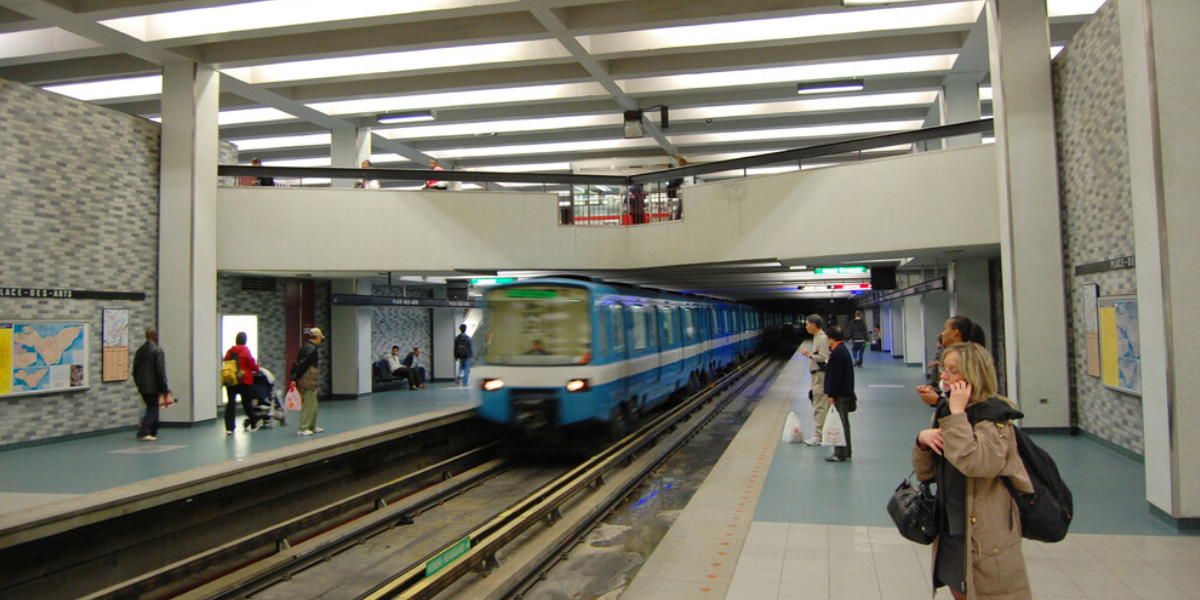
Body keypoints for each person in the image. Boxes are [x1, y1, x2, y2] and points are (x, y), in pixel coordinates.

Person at [913, 342, 1033, 600]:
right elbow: (927, 473)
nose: (943, 376)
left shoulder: (994, 418)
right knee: (959, 588)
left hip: (986, 531)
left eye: (952, 371)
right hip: (953, 522)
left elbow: (978, 464)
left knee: (989, 591)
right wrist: (922, 441)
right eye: (944, 369)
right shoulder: (946, 411)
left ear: (973, 375)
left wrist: (957, 413)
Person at [917, 316, 987, 406]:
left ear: (955, 332)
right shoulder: (951, 354)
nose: (942, 334)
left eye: (945, 329)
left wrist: (938, 401)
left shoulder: (966, 359)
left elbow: (964, 402)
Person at [132, 327, 170, 442]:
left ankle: (153, 430)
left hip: (142, 385)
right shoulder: (157, 351)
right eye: (156, 335)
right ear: (153, 336)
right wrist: (164, 388)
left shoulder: (140, 350)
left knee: (152, 407)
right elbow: (160, 370)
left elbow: (135, 369)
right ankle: (144, 431)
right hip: (153, 386)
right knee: (153, 408)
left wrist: (138, 383)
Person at [823, 325, 855, 462]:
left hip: (840, 394)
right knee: (844, 422)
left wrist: (832, 395)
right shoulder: (843, 350)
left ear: (831, 338)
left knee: (840, 423)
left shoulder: (837, 353)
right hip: (845, 392)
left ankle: (840, 453)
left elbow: (835, 376)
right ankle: (846, 450)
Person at [223, 332, 262, 435]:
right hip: (244, 380)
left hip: (231, 380)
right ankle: (254, 422)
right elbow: (252, 364)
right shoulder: (245, 351)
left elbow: (225, 360)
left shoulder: (230, 351)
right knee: (246, 403)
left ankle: (229, 428)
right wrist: (258, 370)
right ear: (245, 341)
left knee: (230, 403)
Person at [799, 315, 830, 446]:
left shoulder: (822, 338)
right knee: (818, 404)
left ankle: (819, 435)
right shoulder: (816, 337)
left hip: (820, 376)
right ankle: (821, 433)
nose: (806, 326)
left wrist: (809, 355)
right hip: (816, 376)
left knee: (820, 406)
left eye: (807, 324)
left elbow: (824, 358)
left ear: (814, 325)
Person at [291, 327, 325, 436]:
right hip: (307, 379)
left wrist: (294, 377)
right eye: (320, 338)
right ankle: (303, 428)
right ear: (317, 337)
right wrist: (295, 378)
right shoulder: (311, 350)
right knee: (309, 403)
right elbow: (303, 365)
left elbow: (297, 363)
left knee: (313, 403)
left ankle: (311, 425)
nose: (320, 340)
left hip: (308, 379)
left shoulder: (305, 347)